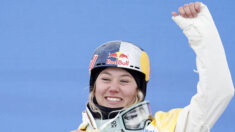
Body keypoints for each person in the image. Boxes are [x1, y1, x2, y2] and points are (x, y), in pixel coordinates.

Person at [72, 2, 234, 132]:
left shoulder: (169, 127)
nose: (113, 88)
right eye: (106, 79)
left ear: (139, 88)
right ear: (94, 85)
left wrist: (200, 31)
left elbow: (218, 91)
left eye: (124, 81)